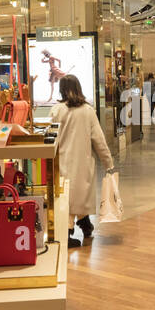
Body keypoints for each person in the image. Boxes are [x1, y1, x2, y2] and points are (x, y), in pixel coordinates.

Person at [50, 74, 115, 248]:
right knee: (81, 195)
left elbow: (50, 136)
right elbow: (99, 140)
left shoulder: (57, 110)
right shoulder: (88, 111)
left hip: (61, 161)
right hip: (83, 162)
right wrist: (108, 163)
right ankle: (82, 225)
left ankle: (72, 229)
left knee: (68, 197)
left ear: (61, 89)